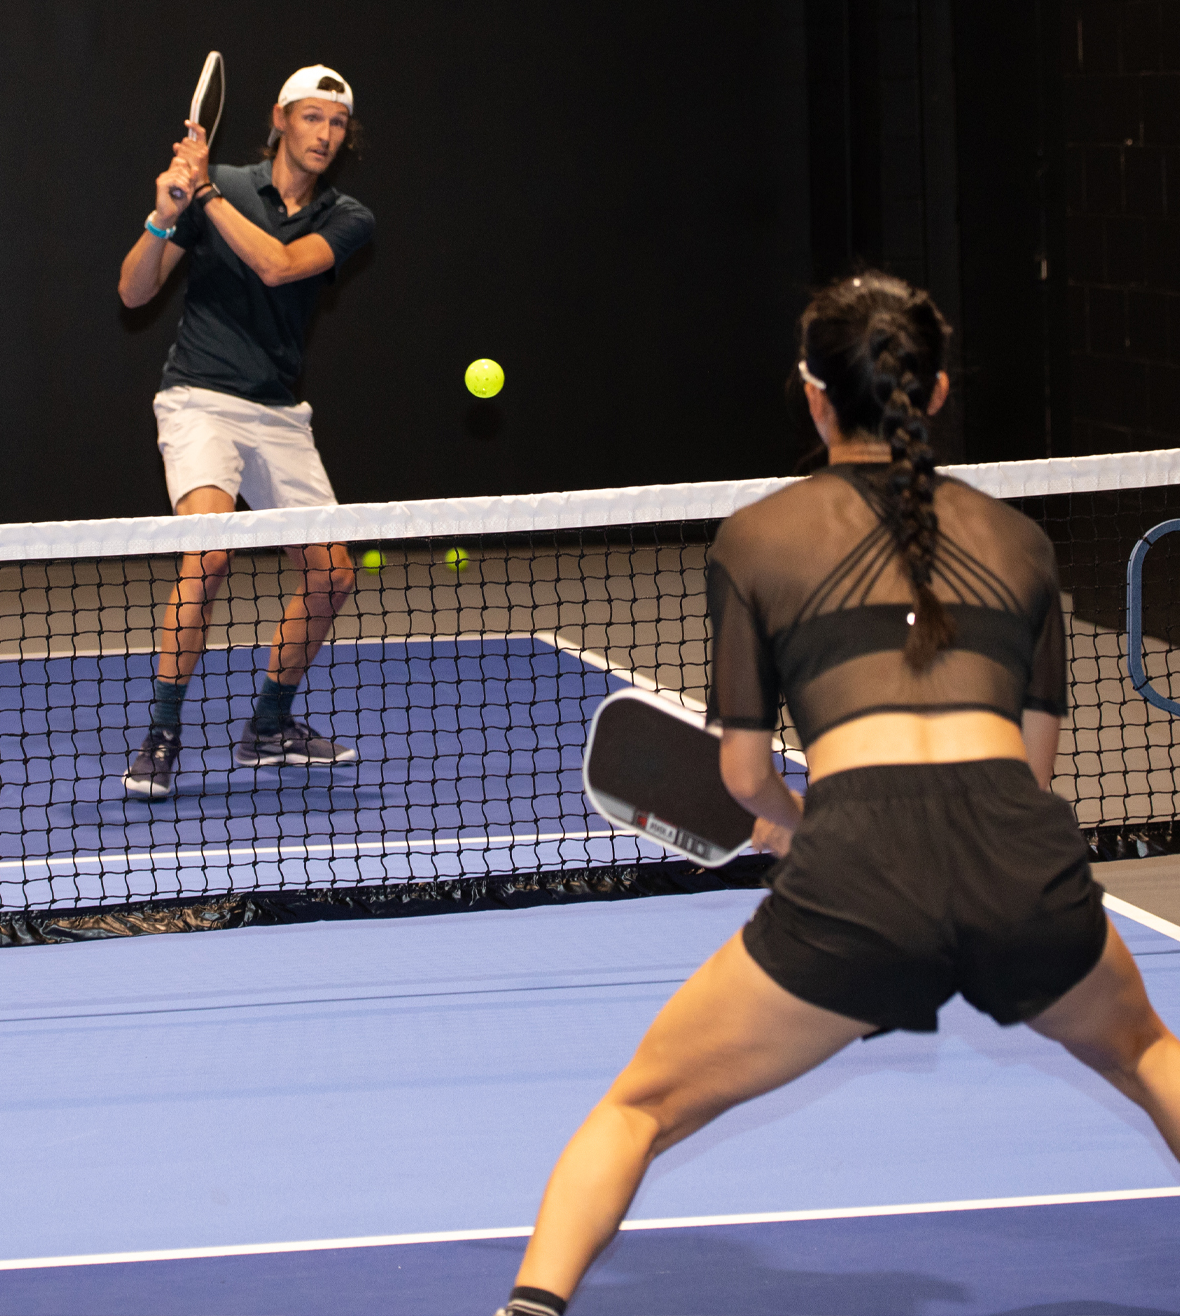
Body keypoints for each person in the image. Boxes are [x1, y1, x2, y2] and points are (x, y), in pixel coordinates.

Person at [491, 272, 1180, 1316]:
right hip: (1019, 857)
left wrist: (801, 820)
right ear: (937, 390)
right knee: (1147, 1051)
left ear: (812, 394)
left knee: (637, 1107)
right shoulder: (1023, 541)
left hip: (860, 874)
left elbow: (740, 777)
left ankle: (532, 1306)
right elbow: (1028, 774)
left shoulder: (759, 535)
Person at [117, 64, 375, 798]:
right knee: (207, 554)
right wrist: (166, 211)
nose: (325, 133)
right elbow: (135, 291)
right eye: (312, 117)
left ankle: (268, 727)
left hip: (279, 414)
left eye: (337, 122)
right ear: (280, 118)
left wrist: (202, 194)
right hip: (199, 398)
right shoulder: (219, 185)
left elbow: (278, 265)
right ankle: (162, 733)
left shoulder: (347, 217)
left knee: (333, 572)